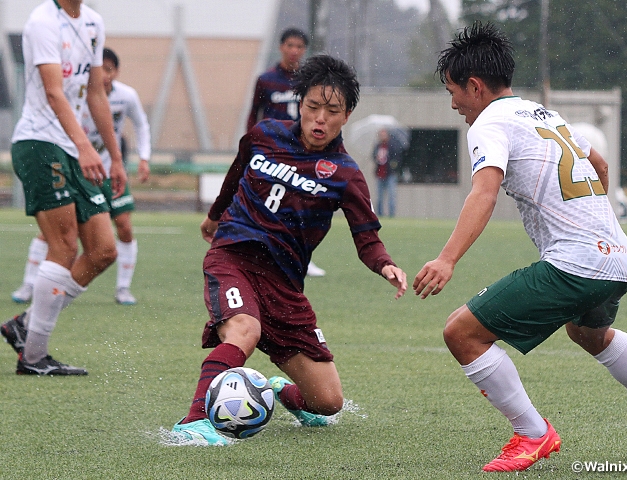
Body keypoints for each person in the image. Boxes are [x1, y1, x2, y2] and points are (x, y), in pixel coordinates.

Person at [413, 22, 627, 472]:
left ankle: (533, 434)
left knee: (461, 332)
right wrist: (600, 225)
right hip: (619, 259)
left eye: (453, 91)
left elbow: (484, 193)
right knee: (588, 333)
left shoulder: (489, 123)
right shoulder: (542, 114)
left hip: (577, 263)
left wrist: (447, 258)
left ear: (475, 86)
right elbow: (600, 163)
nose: (454, 102)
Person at [169, 54, 407, 445]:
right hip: (234, 255)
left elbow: (367, 239)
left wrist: (386, 266)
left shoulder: (345, 174)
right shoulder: (264, 135)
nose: (320, 119)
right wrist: (213, 218)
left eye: (332, 110)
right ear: (300, 104)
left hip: (284, 284)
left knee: (328, 402)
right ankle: (194, 422)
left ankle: (276, 390)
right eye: (313, 106)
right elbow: (235, 175)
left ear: (346, 115)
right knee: (245, 329)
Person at [0, 0, 126, 375]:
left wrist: (115, 158)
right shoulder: (43, 21)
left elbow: (96, 94)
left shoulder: (93, 22)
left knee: (104, 250)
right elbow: (54, 93)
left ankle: (25, 326)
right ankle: (34, 357)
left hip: (72, 147)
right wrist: (86, 146)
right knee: (64, 244)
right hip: (39, 143)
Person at [10, 47, 151, 306]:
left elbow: (141, 124)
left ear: (116, 72)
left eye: (109, 69)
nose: (104, 75)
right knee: (61, 236)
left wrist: (140, 157)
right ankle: (29, 287)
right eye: (100, 68)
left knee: (119, 233)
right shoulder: (74, 96)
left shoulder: (125, 95)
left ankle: (122, 289)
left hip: (107, 170)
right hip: (76, 167)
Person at [246, 27, 325, 277]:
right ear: (281, 47)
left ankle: (302, 255)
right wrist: (251, 145)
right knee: (268, 202)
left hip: (303, 151)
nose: (294, 51)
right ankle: (258, 251)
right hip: (272, 151)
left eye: (299, 47)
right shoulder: (266, 79)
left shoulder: (309, 81)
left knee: (303, 204)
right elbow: (254, 113)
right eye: (290, 45)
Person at [372, 128, 403, 217]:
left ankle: (391, 214)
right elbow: (374, 156)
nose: (382, 137)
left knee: (391, 195)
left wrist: (393, 165)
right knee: (379, 196)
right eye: (381, 135)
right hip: (380, 174)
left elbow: (397, 158)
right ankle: (380, 214)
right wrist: (376, 157)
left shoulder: (393, 145)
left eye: (384, 135)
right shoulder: (378, 146)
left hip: (390, 174)